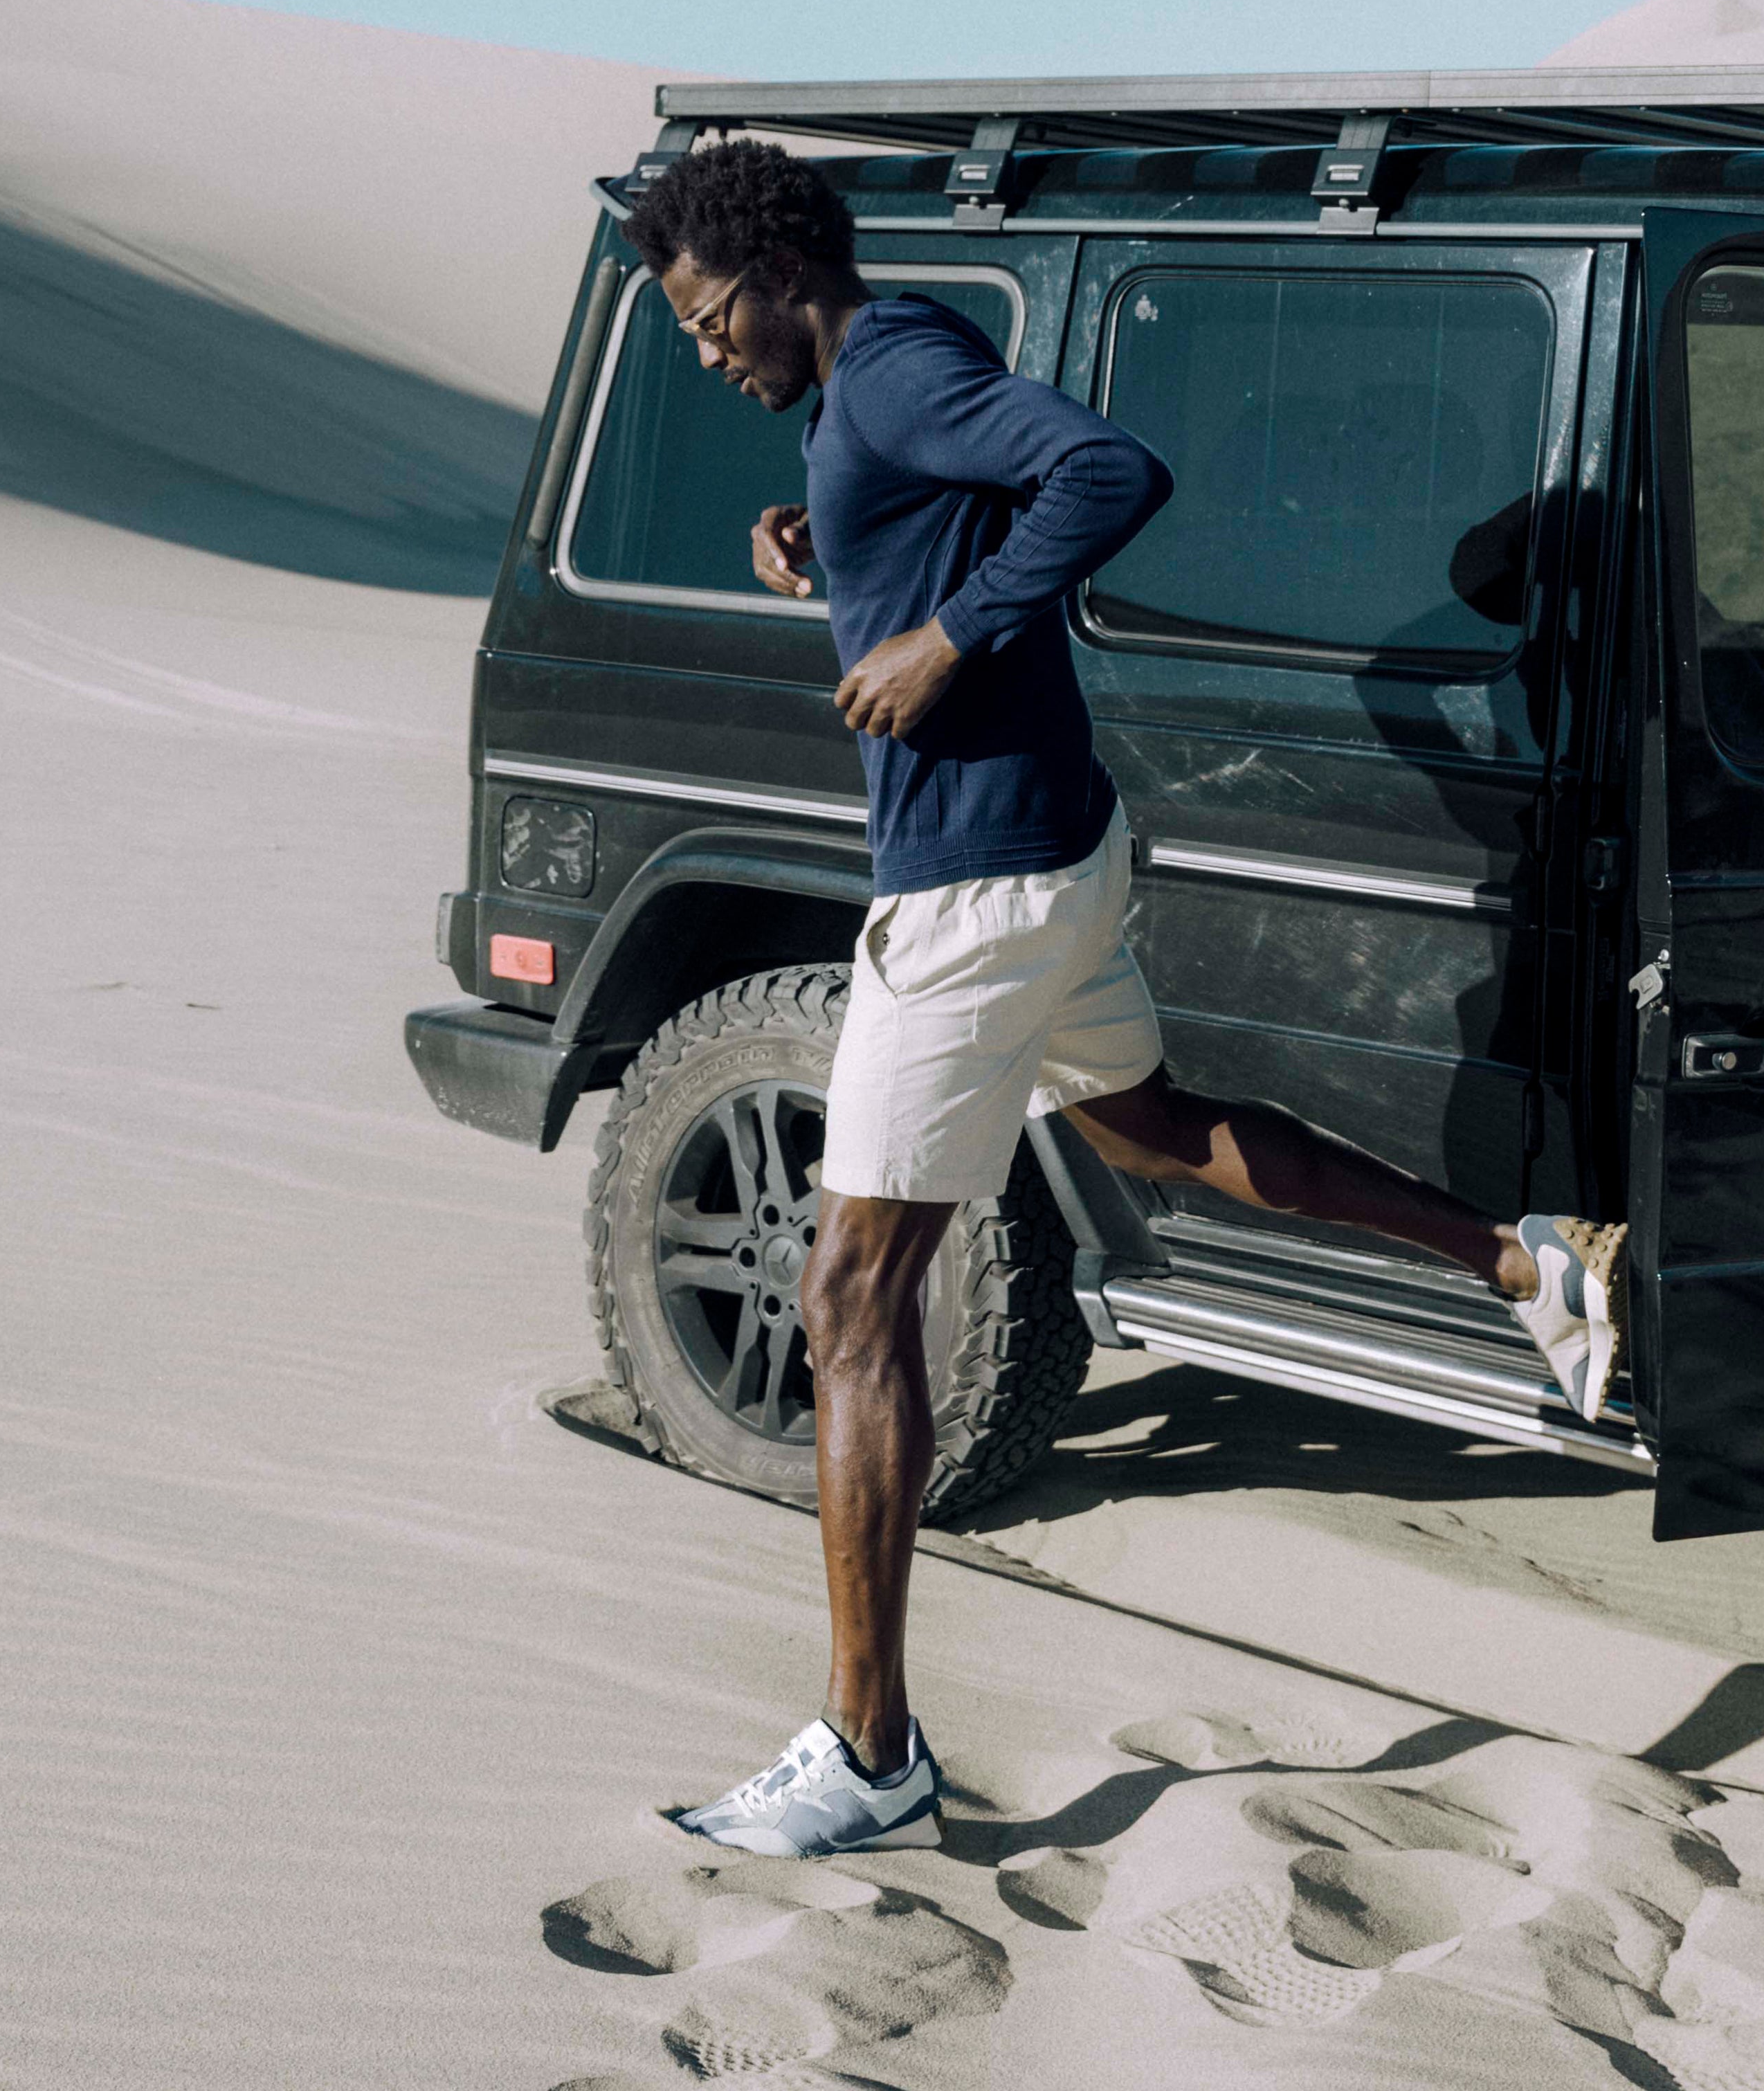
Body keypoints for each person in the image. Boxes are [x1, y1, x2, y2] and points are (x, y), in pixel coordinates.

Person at [622, 141, 1627, 1861]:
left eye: (714, 317)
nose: (708, 351)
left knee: (852, 1294)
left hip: (974, 886)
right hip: (1048, 846)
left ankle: (868, 1752)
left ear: (783, 271)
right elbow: (969, 481)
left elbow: (1106, 467)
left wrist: (942, 632)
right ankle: (1526, 1258)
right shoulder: (876, 370)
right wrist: (838, 547)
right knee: (1152, 1134)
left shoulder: (899, 366)